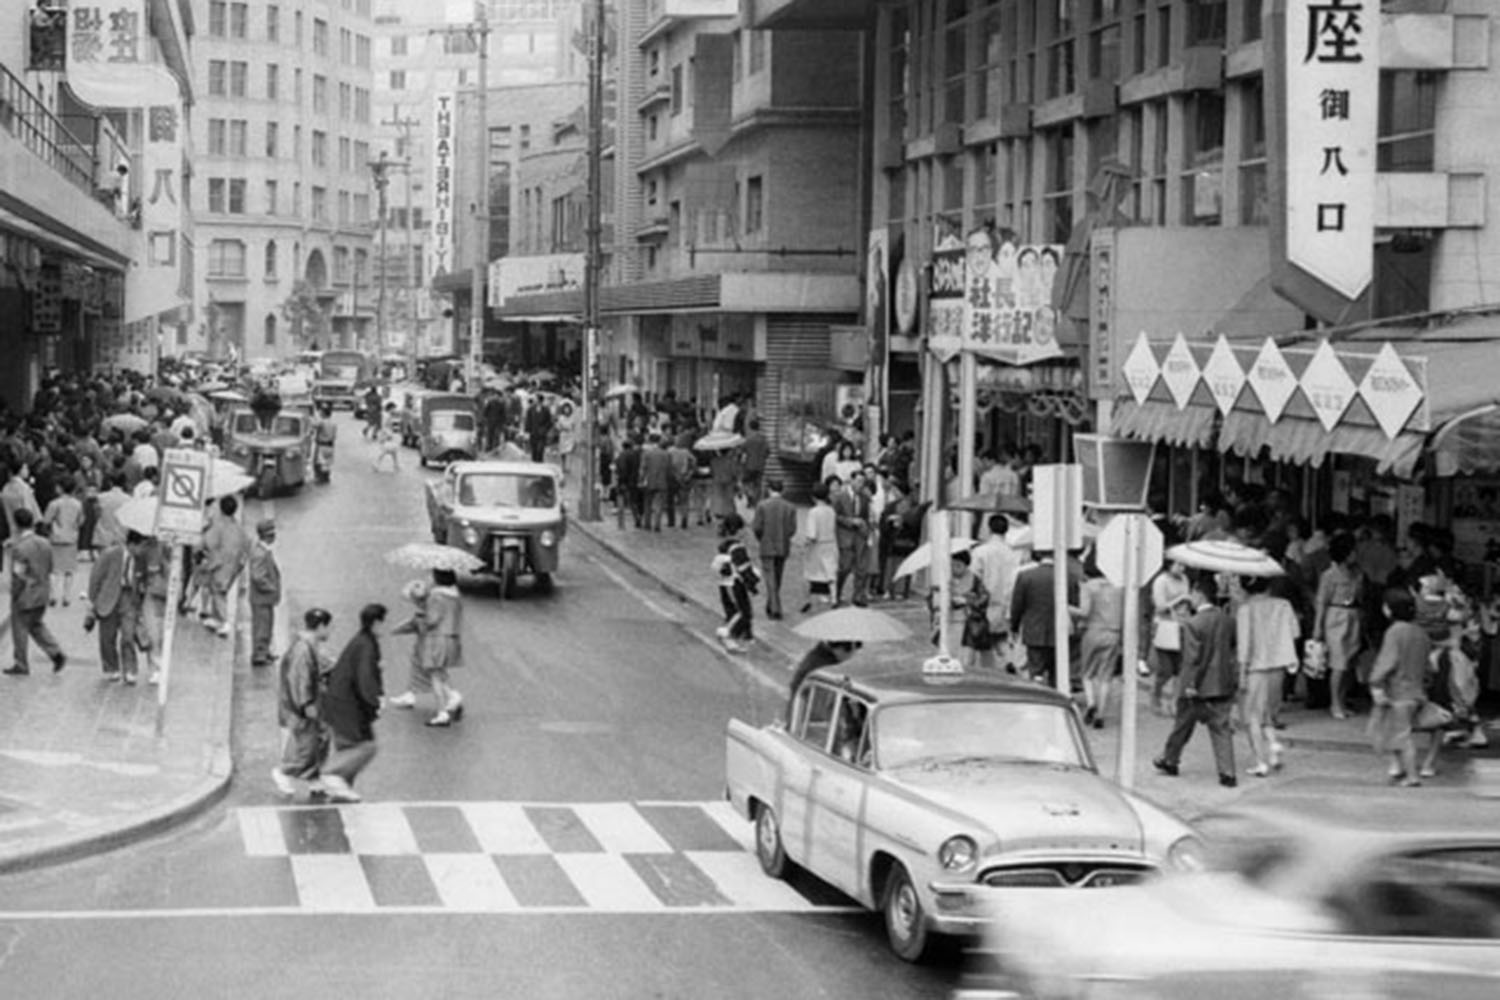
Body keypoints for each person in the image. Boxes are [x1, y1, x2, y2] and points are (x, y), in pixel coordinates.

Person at [1153, 570, 1239, 787]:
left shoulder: (1193, 624)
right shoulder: (1228, 620)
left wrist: (1189, 684)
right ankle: (1227, 772)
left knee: (1182, 725)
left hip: (1197, 686)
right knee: (1221, 729)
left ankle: (1170, 759)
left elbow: (1192, 659)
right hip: (1222, 682)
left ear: (1199, 594)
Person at [319, 603, 388, 802]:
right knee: (366, 747)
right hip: (348, 706)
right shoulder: (366, 646)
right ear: (376, 623)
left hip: (339, 703)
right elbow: (365, 679)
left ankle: (341, 790)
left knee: (348, 746)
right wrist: (376, 701)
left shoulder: (362, 641)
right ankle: (331, 773)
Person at [1367, 588, 1431, 787]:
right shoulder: (1420, 632)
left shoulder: (1394, 632)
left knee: (1401, 736)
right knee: (1399, 733)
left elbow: (1386, 662)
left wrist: (1375, 683)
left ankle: (1412, 776)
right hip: (1416, 690)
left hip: (1398, 692)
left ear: (1389, 610)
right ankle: (1400, 769)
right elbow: (1427, 666)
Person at [1235, 575, 1298, 776]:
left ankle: (1261, 761)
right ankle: (1273, 743)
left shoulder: (1245, 610)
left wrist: (1242, 673)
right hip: (1278, 663)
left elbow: (1244, 645)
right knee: (1267, 713)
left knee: (1252, 717)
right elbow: (1295, 632)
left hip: (1256, 666)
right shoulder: (1284, 605)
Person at [271, 608, 334, 798]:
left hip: (313, 701)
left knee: (321, 739)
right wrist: (306, 705)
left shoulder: (309, 645)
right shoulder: (303, 649)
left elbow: (321, 666)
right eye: (329, 627)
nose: (330, 632)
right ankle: (284, 771)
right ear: (321, 626)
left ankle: (314, 778)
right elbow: (300, 679)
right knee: (307, 744)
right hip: (302, 705)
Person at [5, 508, 65, 676]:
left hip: (26, 594)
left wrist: (15, 594)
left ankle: (21, 663)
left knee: (20, 629)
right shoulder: (45, 543)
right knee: (35, 624)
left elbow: (19, 574)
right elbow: (51, 567)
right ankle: (55, 652)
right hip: (42, 590)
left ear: (16, 525)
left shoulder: (20, 549)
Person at [1009, 549, 1079, 687]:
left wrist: (1014, 627)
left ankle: (1038, 694)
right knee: (1057, 671)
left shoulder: (1025, 576)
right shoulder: (1069, 577)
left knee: (1036, 670)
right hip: (1060, 631)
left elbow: (1017, 605)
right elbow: (1074, 604)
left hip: (1034, 630)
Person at [1314, 532, 1365, 720]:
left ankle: (1342, 700)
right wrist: (1318, 627)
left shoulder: (1357, 573)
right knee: (1339, 663)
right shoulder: (1329, 575)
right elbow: (1321, 601)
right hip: (1336, 616)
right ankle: (1335, 702)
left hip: (1353, 616)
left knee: (1349, 663)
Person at [1075, 558, 1124, 729]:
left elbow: (1084, 611)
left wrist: (1066, 607)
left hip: (1093, 631)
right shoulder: (1118, 587)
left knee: (1087, 673)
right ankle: (1101, 714)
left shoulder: (1088, 587)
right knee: (1106, 676)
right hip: (1113, 633)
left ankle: (1091, 703)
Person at [84, 530, 137, 683]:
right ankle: (111, 667)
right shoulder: (110, 554)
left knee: (128, 634)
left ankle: (130, 669)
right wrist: (92, 601)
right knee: (107, 636)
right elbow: (96, 577)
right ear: (132, 544)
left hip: (128, 596)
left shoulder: (140, 558)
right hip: (109, 596)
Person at [971, 514, 1022, 670]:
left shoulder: (980, 552)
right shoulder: (1014, 553)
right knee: (1001, 637)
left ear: (988, 528)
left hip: (985, 603)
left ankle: (990, 672)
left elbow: (974, 577)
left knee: (983, 641)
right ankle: (1010, 662)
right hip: (1008, 601)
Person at [201, 494, 249, 636]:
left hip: (220, 564)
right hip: (234, 566)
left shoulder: (219, 526)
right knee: (222, 591)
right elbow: (246, 545)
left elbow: (209, 542)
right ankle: (216, 619)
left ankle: (224, 622)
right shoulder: (239, 528)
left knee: (218, 592)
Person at [934, 550, 991, 668]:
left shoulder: (975, 580)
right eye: (952, 565)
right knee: (947, 655)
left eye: (958, 565)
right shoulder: (944, 579)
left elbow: (984, 598)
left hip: (967, 623)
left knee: (965, 659)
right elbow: (933, 599)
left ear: (966, 566)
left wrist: (967, 601)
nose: (955, 568)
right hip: (948, 621)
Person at [751, 477, 798, 620]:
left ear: (769, 489)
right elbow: (792, 529)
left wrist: (761, 539)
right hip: (783, 545)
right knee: (778, 576)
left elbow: (757, 527)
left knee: (770, 577)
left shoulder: (762, 506)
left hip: (767, 544)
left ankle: (775, 607)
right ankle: (772, 603)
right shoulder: (790, 507)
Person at [1149, 560, 1191, 715]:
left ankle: (1175, 702)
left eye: (1183, 565)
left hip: (1181, 624)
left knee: (1180, 668)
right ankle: (1156, 694)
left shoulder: (1184, 579)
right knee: (1165, 669)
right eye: (1178, 565)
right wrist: (1179, 600)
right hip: (1165, 625)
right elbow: (1160, 607)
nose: (1181, 568)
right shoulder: (1161, 581)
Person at [713, 513, 758, 653]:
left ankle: (743, 636)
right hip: (735, 583)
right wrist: (753, 583)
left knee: (732, 610)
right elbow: (744, 568)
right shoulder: (737, 549)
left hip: (725, 584)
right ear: (739, 530)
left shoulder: (725, 546)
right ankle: (727, 633)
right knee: (743, 612)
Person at [786, 640, 861, 724]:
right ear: (841, 648)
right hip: (810, 722)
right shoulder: (827, 668)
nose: (852, 656)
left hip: (798, 716)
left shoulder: (816, 656)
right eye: (852, 651)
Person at [798, 482, 839, 614]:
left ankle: (807, 600)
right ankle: (834, 598)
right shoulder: (831, 510)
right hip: (831, 544)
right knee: (830, 573)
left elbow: (812, 534)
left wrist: (804, 546)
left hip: (817, 547)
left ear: (813, 497)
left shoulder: (813, 512)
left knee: (810, 575)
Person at [43, 474, 83, 606]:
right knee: (69, 570)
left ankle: (53, 596)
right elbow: (81, 520)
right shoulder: (78, 504)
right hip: (71, 539)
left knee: (54, 570)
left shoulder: (54, 504)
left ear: (60, 488)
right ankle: (66, 597)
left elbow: (46, 520)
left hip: (56, 538)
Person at [832, 472, 871, 607]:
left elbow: (866, 516)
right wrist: (849, 521)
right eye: (859, 481)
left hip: (860, 535)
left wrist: (865, 527)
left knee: (861, 567)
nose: (861, 485)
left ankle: (858, 595)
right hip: (845, 535)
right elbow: (835, 516)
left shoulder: (865, 498)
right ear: (851, 481)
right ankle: (836, 593)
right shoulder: (840, 497)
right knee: (845, 567)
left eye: (863, 482)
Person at [248, 518, 282, 667]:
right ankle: (259, 655)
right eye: (272, 533)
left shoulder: (262, 550)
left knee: (267, 625)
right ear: (267, 535)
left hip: (264, 599)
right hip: (261, 598)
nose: (274, 536)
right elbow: (257, 576)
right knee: (262, 627)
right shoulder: (260, 554)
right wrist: (271, 587)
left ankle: (265, 651)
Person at [638, 433, 673, 532]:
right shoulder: (666, 454)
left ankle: (647, 523)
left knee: (647, 503)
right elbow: (669, 469)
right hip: (662, 482)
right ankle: (657, 524)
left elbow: (643, 469)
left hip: (649, 481)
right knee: (659, 504)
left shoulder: (646, 453)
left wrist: (641, 480)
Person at [740, 418, 769, 505]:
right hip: (761, 465)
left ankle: (750, 498)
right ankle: (757, 501)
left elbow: (741, 451)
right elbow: (768, 451)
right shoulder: (764, 439)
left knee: (747, 483)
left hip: (749, 465)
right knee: (758, 484)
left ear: (750, 428)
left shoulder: (748, 440)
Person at [372, 402, 401, 472]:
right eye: (394, 408)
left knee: (394, 450)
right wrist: (388, 434)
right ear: (390, 408)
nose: (394, 410)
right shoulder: (386, 416)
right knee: (385, 450)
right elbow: (384, 426)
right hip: (385, 435)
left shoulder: (388, 415)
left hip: (388, 434)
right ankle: (376, 464)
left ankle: (396, 465)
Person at [524, 397, 553, 464]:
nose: (536, 402)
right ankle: (534, 464)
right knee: (534, 450)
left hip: (542, 434)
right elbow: (528, 421)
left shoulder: (546, 410)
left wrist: (545, 429)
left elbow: (549, 422)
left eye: (538, 401)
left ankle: (540, 462)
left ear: (541, 401)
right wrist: (527, 431)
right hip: (533, 432)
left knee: (540, 449)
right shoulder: (531, 409)